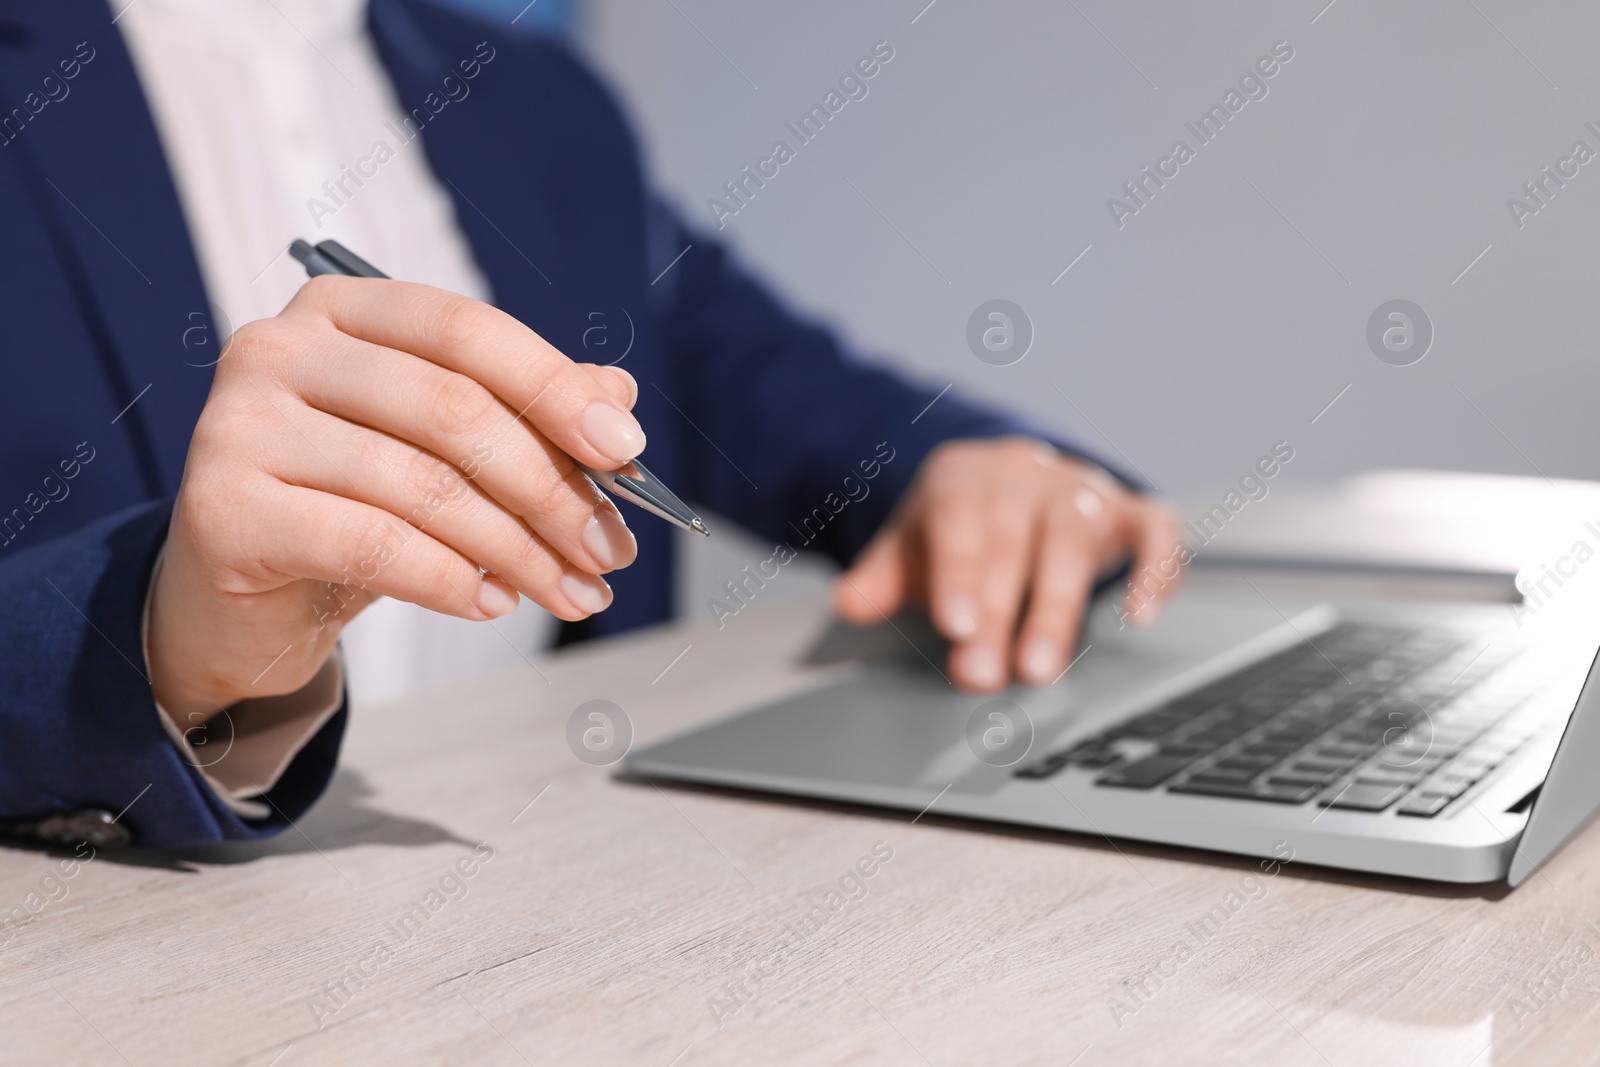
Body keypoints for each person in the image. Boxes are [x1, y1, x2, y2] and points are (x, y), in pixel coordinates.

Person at [0, 0, 1179, 847]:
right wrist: (150, 629)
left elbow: (768, 375)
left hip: (551, 904)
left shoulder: (537, 102)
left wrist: (971, 472)